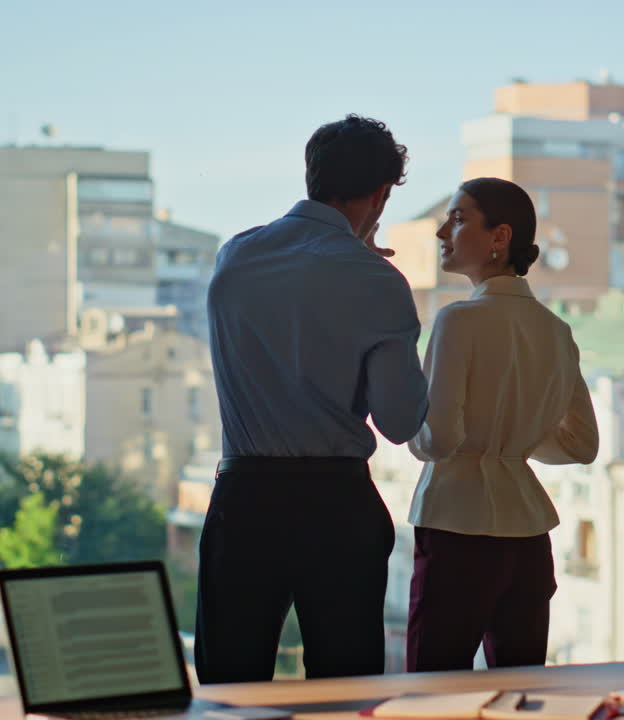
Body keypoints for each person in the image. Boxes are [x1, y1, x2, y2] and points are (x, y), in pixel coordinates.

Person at [197, 114, 428, 683]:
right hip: (335, 505)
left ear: (311, 176)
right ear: (380, 194)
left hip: (245, 499)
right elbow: (400, 422)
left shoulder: (236, 256)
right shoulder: (376, 280)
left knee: (230, 687)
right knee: (345, 690)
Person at [404, 177, 599, 672]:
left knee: (432, 692)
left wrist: (408, 420)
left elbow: (439, 439)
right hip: (529, 535)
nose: (441, 230)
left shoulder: (457, 321)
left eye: (459, 217)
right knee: (521, 691)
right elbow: (582, 445)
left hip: (456, 528)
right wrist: (513, 441)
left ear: (500, 238)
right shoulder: (556, 330)